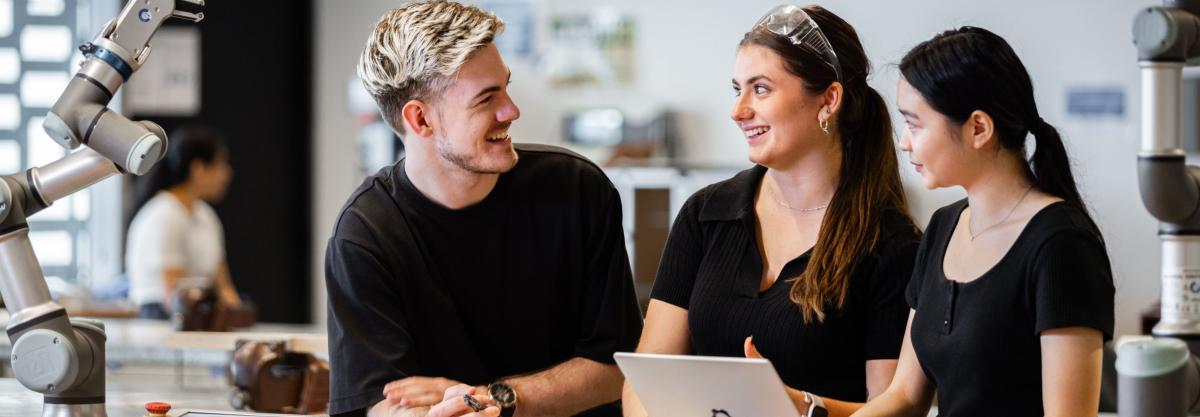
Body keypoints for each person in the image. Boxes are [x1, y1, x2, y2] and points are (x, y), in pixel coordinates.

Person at [324, 1, 643, 416]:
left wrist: (490, 398)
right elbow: (373, 405)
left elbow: (616, 367)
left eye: (506, 87)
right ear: (420, 120)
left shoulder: (577, 191)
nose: (511, 111)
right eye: (486, 98)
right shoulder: (367, 234)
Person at [622, 5, 920, 417]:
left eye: (760, 89)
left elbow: (895, 407)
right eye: (737, 89)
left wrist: (799, 406)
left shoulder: (889, 243)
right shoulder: (706, 214)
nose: (738, 110)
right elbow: (645, 380)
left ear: (829, 100)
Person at [852, 27, 1115, 417]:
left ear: (978, 128)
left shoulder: (1062, 244)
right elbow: (905, 396)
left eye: (915, 123)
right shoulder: (943, 227)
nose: (904, 142)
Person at [126, 125, 238, 319]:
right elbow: (173, 296)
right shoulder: (164, 215)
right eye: (221, 164)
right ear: (199, 169)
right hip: (162, 317)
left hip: (200, 316)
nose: (227, 173)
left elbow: (224, 285)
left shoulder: (206, 215)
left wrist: (238, 315)